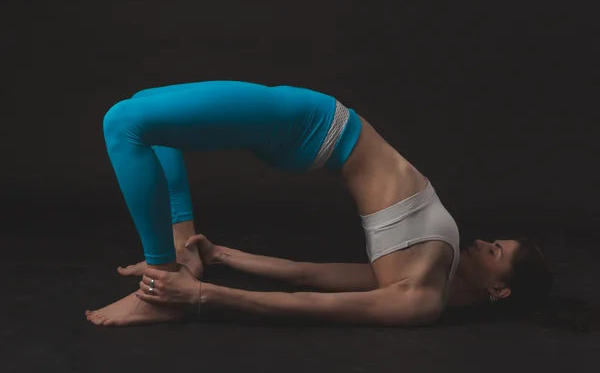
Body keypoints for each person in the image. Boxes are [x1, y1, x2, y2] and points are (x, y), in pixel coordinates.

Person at [85, 81, 553, 327]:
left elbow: (309, 303)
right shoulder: (432, 272)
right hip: (320, 128)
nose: (482, 242)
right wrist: (221, 254)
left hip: (309, 129)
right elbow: (309, 272)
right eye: (494, 241)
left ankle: (161, 280)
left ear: (500, 290)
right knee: (143, 108)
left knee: (125, 123)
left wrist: (202, 299)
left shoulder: (418, 299)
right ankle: (183, 247)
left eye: (496, 252)